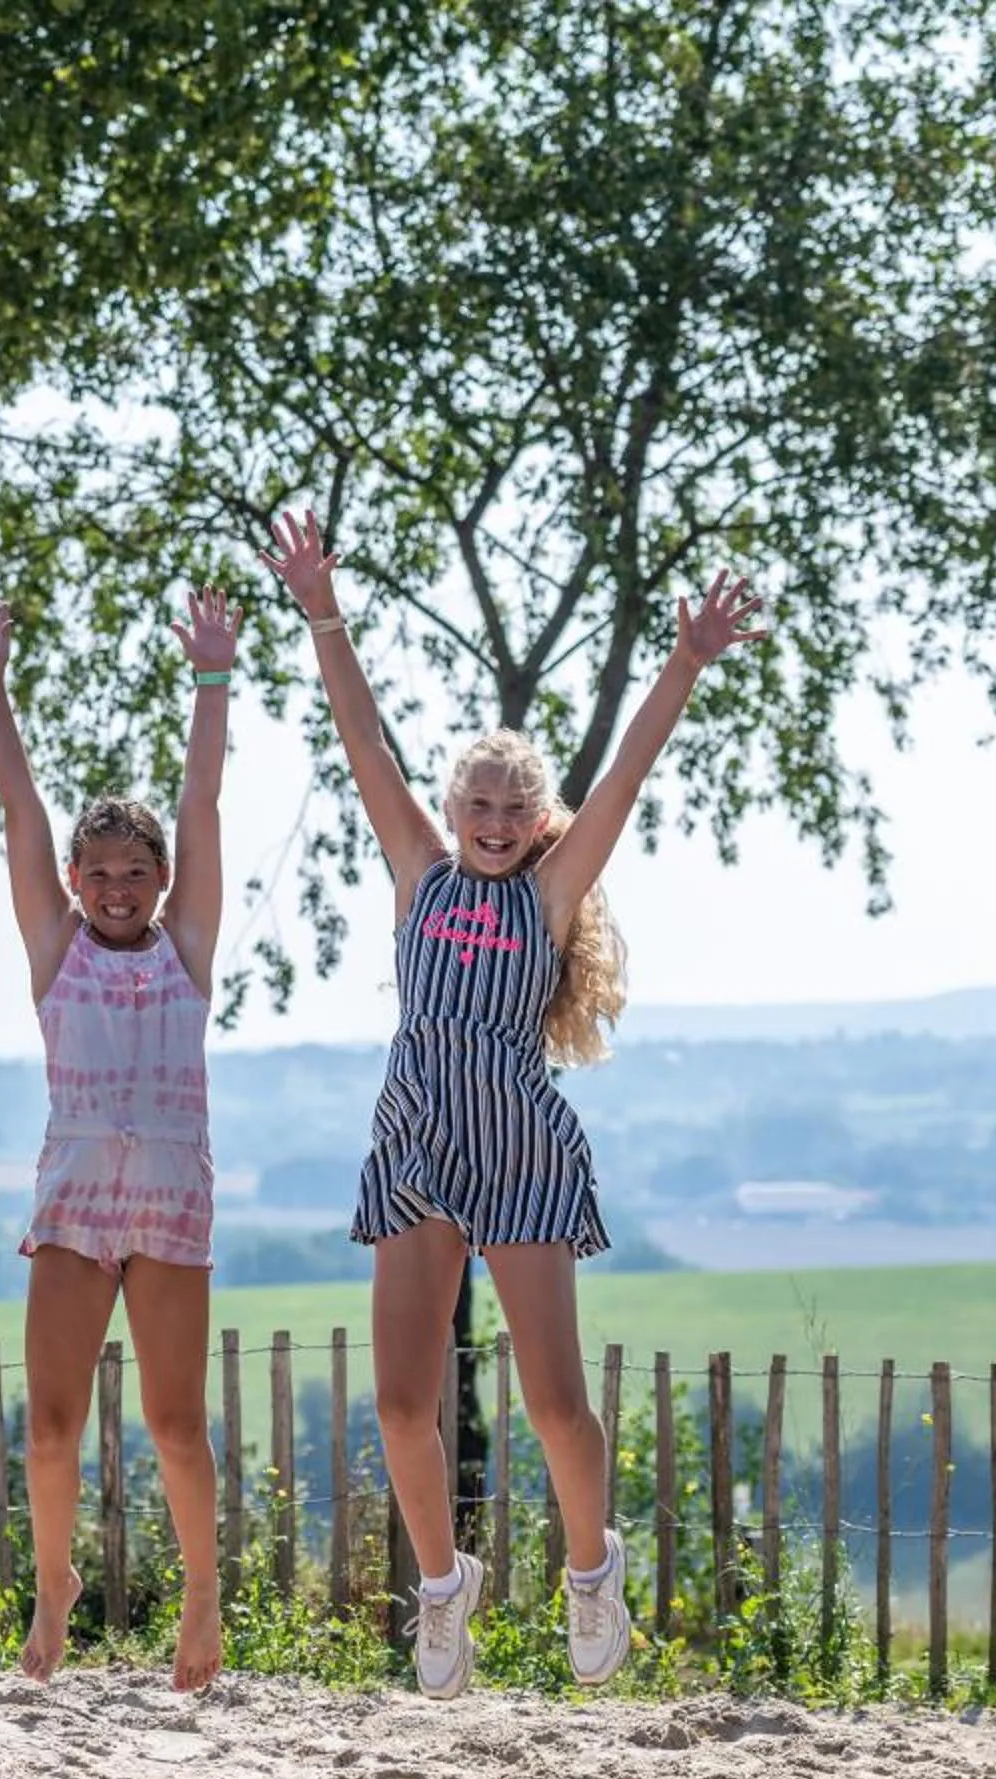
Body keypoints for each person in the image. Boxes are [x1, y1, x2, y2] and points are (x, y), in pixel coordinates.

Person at [258, 508, 769, 1696]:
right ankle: (446, 1589)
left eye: (510, 810)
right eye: (474, 805)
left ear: (538, 823)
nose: (490, 823)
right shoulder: (417, 874)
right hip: (417, 1147)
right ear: (453, 811)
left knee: (552, 1400)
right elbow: (361, 740)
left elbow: (630, 773)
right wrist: (320, 608)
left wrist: (685, 659)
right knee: (398, 1403)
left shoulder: (547, 894)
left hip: (522, 1151)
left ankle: (594, 1568)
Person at [0, 593, 234, 1689]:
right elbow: (21, 808)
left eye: (137, 874)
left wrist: (212, 680)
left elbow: (202, 800)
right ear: (75, 883)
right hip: (74, 1203)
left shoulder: (187, 947)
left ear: (161, 883)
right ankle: (53, 1581)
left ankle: (205, 1591)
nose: (118, 890)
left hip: (170, 1203)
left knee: (175, 1421)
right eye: (100, 874)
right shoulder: (54, 949)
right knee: (51, 1427)